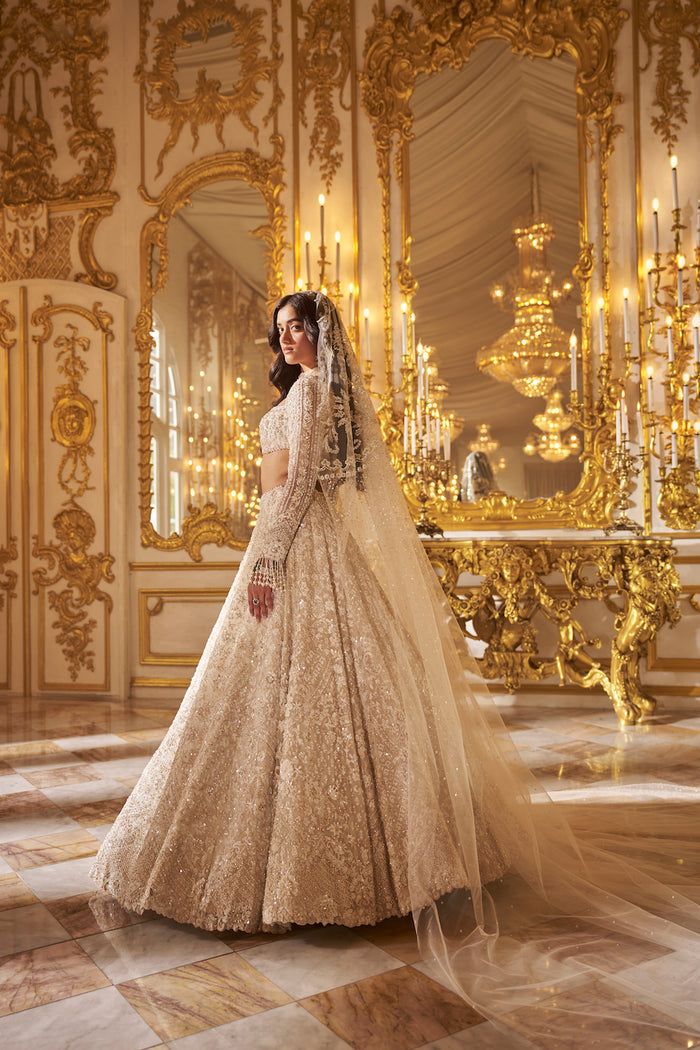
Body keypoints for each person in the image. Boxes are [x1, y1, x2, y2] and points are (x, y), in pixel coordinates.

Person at [90, 291, 700, 1047]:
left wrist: (269, 564)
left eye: (299, 329)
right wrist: (265, 550)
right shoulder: (300, 392)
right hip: (281, 547)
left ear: (322, 337)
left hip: (294, 554)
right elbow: (276, 492)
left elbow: (302, 482)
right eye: (279, 331)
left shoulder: (315, 395)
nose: (287, 340)